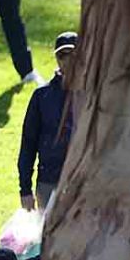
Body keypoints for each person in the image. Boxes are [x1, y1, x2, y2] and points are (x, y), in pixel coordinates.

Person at [17, 32, 76, 211]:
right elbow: (28, 144)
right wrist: (25, 190)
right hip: (48, 181)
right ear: (57, 59)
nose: (68, 60)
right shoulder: (42, 96)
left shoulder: (93, 96)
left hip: (83, 183)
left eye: (74, 55)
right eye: (62, 55)